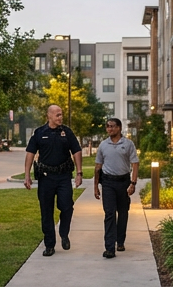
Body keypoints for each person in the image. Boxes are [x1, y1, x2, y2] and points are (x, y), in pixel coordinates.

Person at [24, 104, 83, 257]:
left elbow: (76, 151)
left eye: (61, 114)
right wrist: (27, 175)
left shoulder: (67, 132)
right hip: (46, 178)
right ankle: (49, 245)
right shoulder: (39, 133)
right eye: (57, 115)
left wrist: (79, 173)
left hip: (63, 177)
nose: (60, 117)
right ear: (49, 116)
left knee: (67, 206)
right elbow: (30, 153)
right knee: (46, 212)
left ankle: (64, 233)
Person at [94, 117, 139, 259]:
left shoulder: (128, 144)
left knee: (123, 213)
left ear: (119, 128)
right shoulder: (103, 145)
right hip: (108, 182)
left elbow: (135, 164)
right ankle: (109, 248)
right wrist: (96, 186)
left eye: (112, 126)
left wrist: (133, 183)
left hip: (123, 182)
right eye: (108, 126)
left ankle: (120, 241)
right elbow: (98, 167)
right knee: (109, 214)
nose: (110, 129)